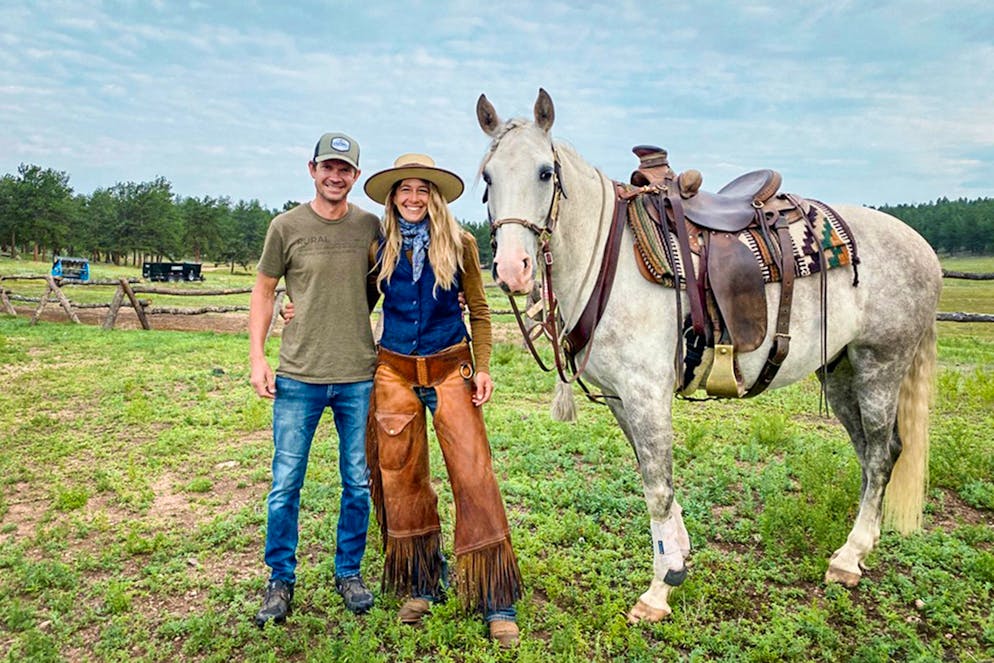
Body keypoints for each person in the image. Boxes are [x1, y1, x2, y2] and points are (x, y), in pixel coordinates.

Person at [362, 153, 523, 647]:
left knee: (474, 474)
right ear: (393, 197)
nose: (413, 197)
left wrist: (485, 367)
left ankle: (496, 598)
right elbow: (359, 304)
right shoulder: (380, 248)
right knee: (402, 479)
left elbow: (479, 309)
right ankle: (422, 582)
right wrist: (300, 309)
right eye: (404, 190)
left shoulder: (461, 243)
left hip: (452, 367)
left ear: (435, 196)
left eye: (422, 189)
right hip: (394, 370)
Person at [248, 132, 381, 626]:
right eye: (328, 166)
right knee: (285, 484)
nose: (335, 176)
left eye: (345, 169)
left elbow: (386, 283)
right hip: (298, 377)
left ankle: (349, 572)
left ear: (356, 176)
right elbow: (264, 291)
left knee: (358, 484)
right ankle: (280, 578)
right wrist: (258, 357)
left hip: (356, 376)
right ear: (311, 169)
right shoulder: (285, 226)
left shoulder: (371, 227)